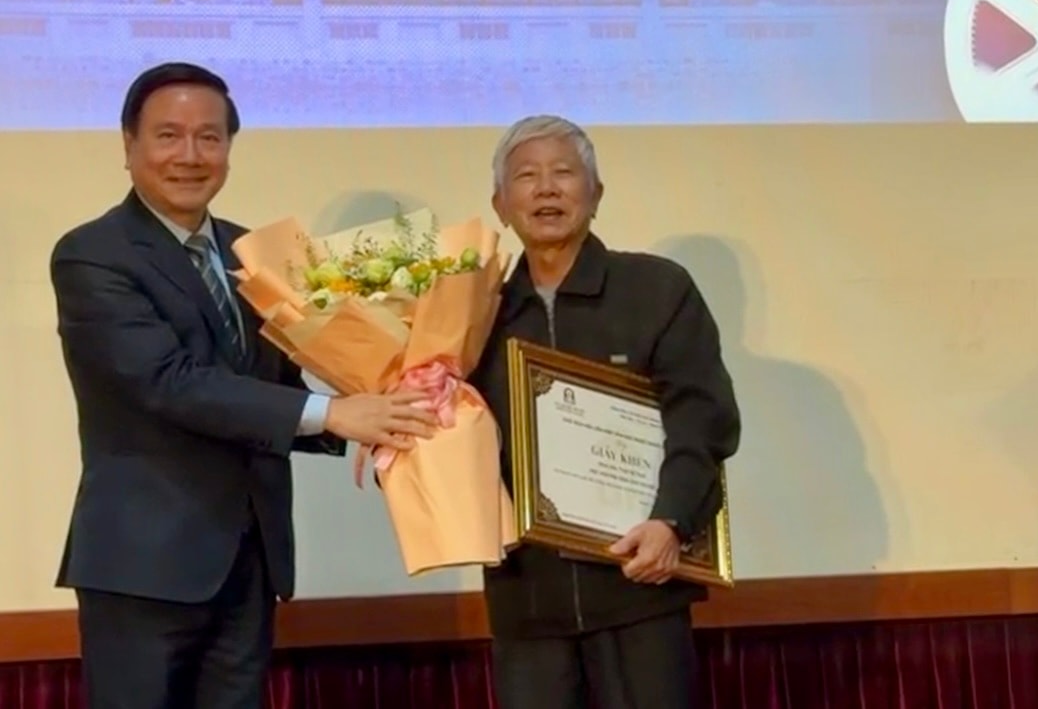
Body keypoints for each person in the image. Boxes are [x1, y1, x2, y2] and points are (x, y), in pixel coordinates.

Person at [49, 62, 437, 709]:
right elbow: (169, 383)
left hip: (248, 560)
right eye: (168, 135)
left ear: (229, 148)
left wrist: (388, 401)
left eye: (209, 137)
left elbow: (276, 382)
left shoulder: (250, 253)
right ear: (128, 145)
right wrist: (334, 413)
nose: (190, 155)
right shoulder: (93, 253)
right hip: (144, 565)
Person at [471, 115, 742, 709]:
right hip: (526, 598)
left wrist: (671, 521)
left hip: (640, 588)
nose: (546, 188)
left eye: (564, 173)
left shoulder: (656, 290)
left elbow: (702, 419)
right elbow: (452, 433)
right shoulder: (474, 313)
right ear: (500, 205)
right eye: (527, 176)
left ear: (595, 194)